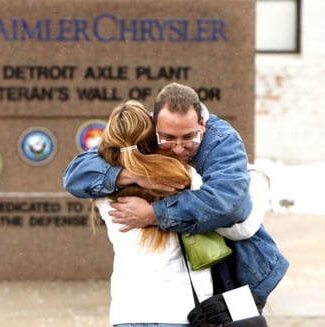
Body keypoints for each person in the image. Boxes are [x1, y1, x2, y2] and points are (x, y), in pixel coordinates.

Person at [63, 82, 288, 310]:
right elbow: (75, 176)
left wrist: (155, 214)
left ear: (202, 124)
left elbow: (229, 206)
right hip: (194, 282)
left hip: (238, 271)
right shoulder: (145, 134)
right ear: (153, 125)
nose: (179, 148)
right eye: (168, 138)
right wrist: (133, 175)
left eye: (189, 137)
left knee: (241, 321)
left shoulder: (222, 140)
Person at [92, 99, 213, 326]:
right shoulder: (184, 176)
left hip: (127, 311)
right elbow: (214, 209)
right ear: (152, 138)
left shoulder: (103, 192)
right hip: (180, 312)